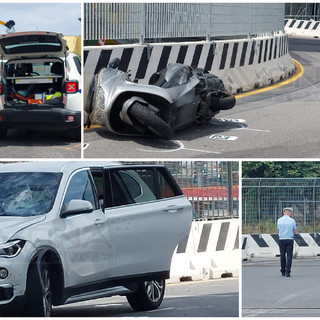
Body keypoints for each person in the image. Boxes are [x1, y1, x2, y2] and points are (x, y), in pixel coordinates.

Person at [277, 207, 297, 277]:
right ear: (290, 213)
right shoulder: (292, 221)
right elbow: (294, 231)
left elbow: (278, 229)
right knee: (289, 256)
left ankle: (283, 270)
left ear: (283, 212)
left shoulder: (279, 220)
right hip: (289, 239)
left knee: (282, 255)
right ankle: (288, 272)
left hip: (281, 239)